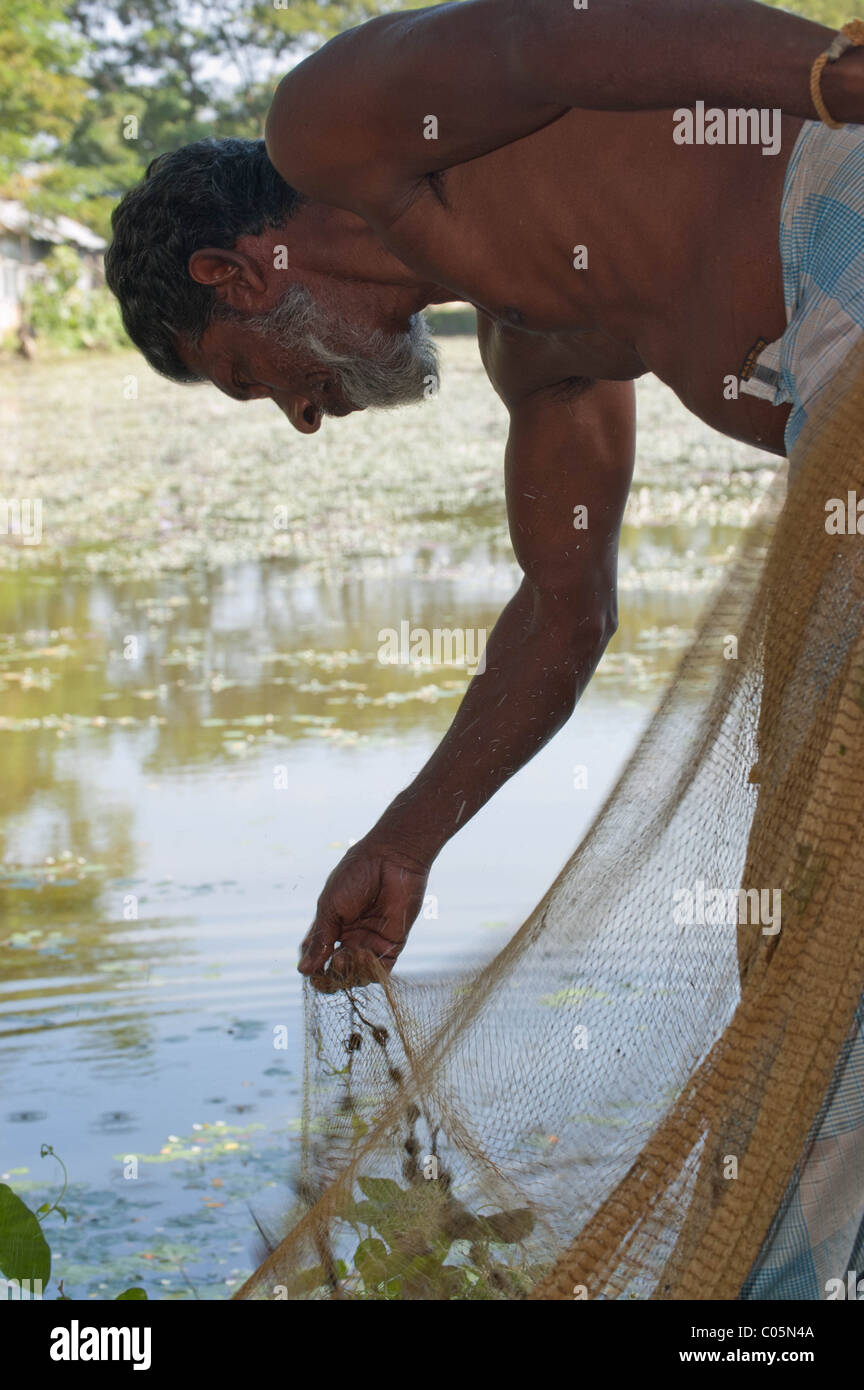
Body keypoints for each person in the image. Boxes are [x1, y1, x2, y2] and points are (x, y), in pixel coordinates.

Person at [105, 1, 864, 1297]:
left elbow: (553, 41)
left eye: (250, 377)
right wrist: (409, 833)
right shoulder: (542, 342)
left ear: (240, 272)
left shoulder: (330, 127)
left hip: (841, 202)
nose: (299, 416)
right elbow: (563, 612)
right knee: (814, 904)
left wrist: (833, 76)